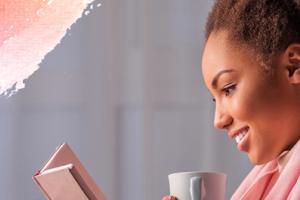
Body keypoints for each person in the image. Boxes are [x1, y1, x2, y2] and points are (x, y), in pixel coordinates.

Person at [163, 0, 300, 199]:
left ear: (293, 67)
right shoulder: (275, 173)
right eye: (214, 99)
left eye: (228, 89)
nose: (218, 121)